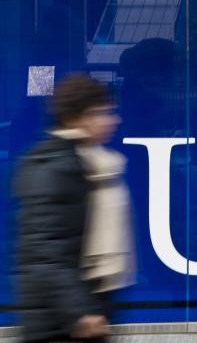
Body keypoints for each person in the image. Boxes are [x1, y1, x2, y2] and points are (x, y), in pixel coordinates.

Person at [13, 74, 133, 343]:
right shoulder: (57, 167)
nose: (114, 120)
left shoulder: (93, 163)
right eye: (103, 113)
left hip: (85, 307)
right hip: (62, 321)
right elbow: (47, 251)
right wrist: (80, 312)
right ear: (77, 118)